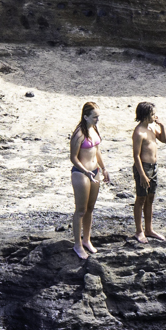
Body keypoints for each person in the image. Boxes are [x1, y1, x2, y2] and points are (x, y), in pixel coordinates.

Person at [67, 101, 111, 259]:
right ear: (85, 116)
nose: (97, 119)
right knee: (81, 210)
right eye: (94, 117)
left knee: (90, 208)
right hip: (81, 173)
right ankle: (77, 244)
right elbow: (73, 158)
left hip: (95, 171)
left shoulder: (94, 129)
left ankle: (86, 239)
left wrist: (103, 168)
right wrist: (86, 171)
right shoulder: (79, 134)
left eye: (98, 116)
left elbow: (96, 150)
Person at [129, 101, 166, 244]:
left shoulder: (151, 127)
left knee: (150, 198)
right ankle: (139, 231)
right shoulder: (139, 132)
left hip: (154, 167)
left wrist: (161, 126)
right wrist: (142, 175)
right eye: (152, 114)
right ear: (145, 116)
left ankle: (149, 229)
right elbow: (136, 156)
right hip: (143, 167)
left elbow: (163, 140)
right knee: (141, 198)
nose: (155, 116)